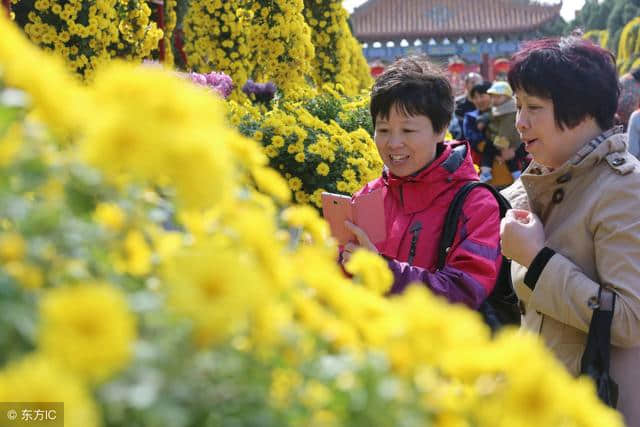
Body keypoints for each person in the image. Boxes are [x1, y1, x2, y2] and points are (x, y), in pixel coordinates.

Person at [500, 37, 640, 426]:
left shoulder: (623, 188)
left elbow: (631, 319)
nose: (519, 122)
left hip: (595, 409)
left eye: (533, 108)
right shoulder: (534, 185)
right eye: (517, 107)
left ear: (579, 114)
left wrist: (537, 260)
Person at [340, 57, 502, 309]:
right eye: (383, 130)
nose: (393, 144)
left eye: (407, 131)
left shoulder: (475, 204)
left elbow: (465, 291)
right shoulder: (368, 195)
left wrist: (383, 272)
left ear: (441, 129)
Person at [478, 81, 527, 182]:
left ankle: (488, 173)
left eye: (498, 97)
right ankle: (487, 172)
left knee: (492, 150)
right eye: (493, 97)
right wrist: (482, 120)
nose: (494, 100)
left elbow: (506, 131)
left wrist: (501, 148)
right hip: (501, 140)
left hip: (507, 141)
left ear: (508, 97)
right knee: (489, 150)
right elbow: (489, 116)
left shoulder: (509, 111)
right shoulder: (498, 109)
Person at [449, 72, 484, 139]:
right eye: (473, 82)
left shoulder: (487, 102)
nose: (476, 85)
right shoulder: (458, 103)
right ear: (466, 85)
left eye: (479, 82)